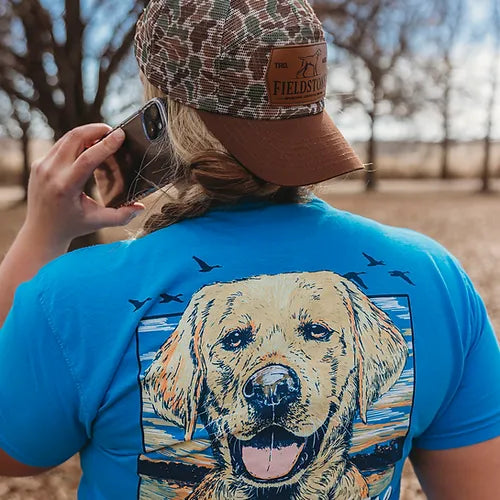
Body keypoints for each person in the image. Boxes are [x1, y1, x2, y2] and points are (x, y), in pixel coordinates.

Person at [0, 1, 499, 499]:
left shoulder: (72, 296)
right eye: (235, 340)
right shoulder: (435, 277)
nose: (273, 378)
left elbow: (10, 456)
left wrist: (42, 235)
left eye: (317, 332)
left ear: (161, 110)